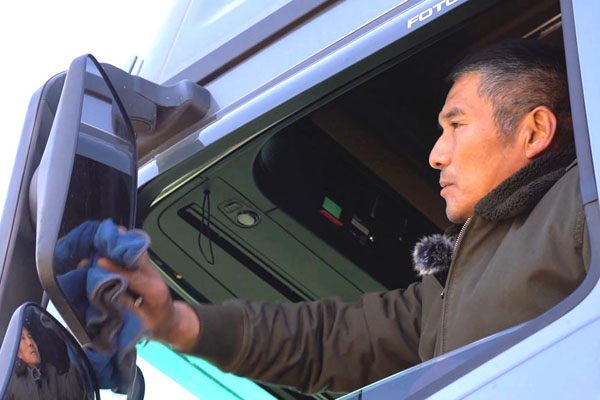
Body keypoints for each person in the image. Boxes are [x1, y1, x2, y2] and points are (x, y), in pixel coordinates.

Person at [98, 39, 590, 394]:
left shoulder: (579, 204)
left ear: (534, 132)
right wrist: (177, 322)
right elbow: (331, 338)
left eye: (456, 124)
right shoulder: (451, 286)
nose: (436, 154)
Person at [5, 326, 86, 400]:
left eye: (30, 337)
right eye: (22, 338)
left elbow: (73, 392)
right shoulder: (8, 382)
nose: (30, 343)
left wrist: (72, 344)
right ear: (17, 353)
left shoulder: (51, 373)